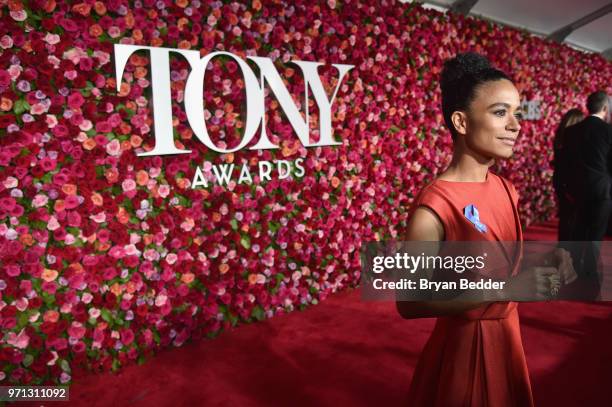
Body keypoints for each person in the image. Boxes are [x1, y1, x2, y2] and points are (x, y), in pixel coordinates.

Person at [396, 53, 575, 406]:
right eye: (500, 112)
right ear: (461, 122)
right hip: (465, 353)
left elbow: (493, 264)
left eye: (517, 113)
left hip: (508, 338)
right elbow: (409, 301)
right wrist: (508, 287)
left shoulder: (506, 189)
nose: (516, 125)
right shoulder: (434, 205)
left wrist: (545, 261)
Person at [564, 91, 612, 285]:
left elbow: (567, 163)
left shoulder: (572, 131)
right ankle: (590, 272)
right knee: (595, 233)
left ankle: (574, 268)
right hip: (602, 190)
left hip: (578, 189)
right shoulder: (609, 131)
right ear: (605, 108)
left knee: (579, 230)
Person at [552, 108, 584, 241]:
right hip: (571, 183)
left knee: (565, 218)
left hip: (560, 181)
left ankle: (563, 250)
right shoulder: (576, 141)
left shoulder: (560, 136)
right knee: (573, 219)